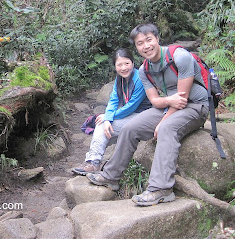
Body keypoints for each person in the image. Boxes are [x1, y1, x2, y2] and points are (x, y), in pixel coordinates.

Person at [86, 23, 209, 206]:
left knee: (167, 129)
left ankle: (161, 189)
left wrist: (163, 121)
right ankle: (111, 176)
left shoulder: (180, 57)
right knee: (131, 127)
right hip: (169, 104)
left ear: (158, 39)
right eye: (140, 43)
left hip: (195, 106)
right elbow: (155, 101)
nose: (146, 46)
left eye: (149, 40)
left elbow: (182, 100)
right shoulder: (145, 70)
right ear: (136, 47)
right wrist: (167, 103)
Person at [71, 48, 151, 178]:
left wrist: (108, 117)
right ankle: (93, 162)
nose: (123, 68)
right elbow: (113, 100)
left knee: (101, 125)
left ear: (132, 63)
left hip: (143, 116)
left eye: (127, 63)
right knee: (103, 123)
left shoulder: (140, 78)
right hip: (130, 116)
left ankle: (94, 163)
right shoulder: (119, 80)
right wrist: (107, 118)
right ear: (115, 66)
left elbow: (132, 106)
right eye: (119, 65)